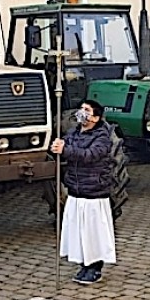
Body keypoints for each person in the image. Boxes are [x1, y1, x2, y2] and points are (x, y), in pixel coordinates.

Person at [50, 100, 116, 285]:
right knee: (79, 232)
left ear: (95, 117)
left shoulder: (102, 137)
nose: (82, 112)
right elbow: (67, 148)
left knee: (93, 233)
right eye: (81, 109)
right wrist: (58, 147)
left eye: (87, 110)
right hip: (76, 190)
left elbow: (90, 155)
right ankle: (83, 264)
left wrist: (66, 150)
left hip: (94, 191)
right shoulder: (73, 133)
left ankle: (95, 267)